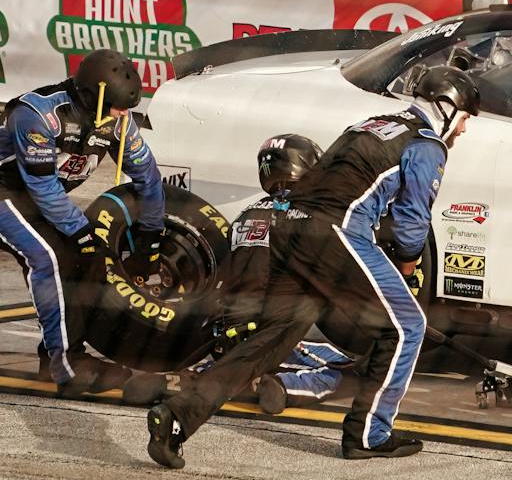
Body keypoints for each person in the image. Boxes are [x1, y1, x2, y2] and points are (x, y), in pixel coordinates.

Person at [144, 67, 480, 469]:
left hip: (288, 227)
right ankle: (369, 434)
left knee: (271, 339)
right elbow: (411, 223)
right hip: (335, 232)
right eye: (464, 120)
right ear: (446, 108)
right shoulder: (425, 144)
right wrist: (405, 269)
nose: (462, 132)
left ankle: (177, 416)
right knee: (407, 326)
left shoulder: (371, 124)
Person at [0, 49, 163, 396]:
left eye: (128, 108)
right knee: (49, 256)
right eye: (116, 107)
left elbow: (149, 179)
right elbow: (43, 186)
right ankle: (67, 365)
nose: (124, 115)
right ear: (91, 98)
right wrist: (81, 231)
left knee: (88, 256)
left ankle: (52, 355)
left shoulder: (119, 121)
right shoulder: (39, 115)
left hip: (34, 197)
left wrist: (150, 240)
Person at [122, 133, 354, 409]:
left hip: (224, 335)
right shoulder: (310, 215)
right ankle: (283, 387)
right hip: (269, 335)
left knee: (233, 362)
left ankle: (179, 381)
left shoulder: (246, 214)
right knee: (352, 372)